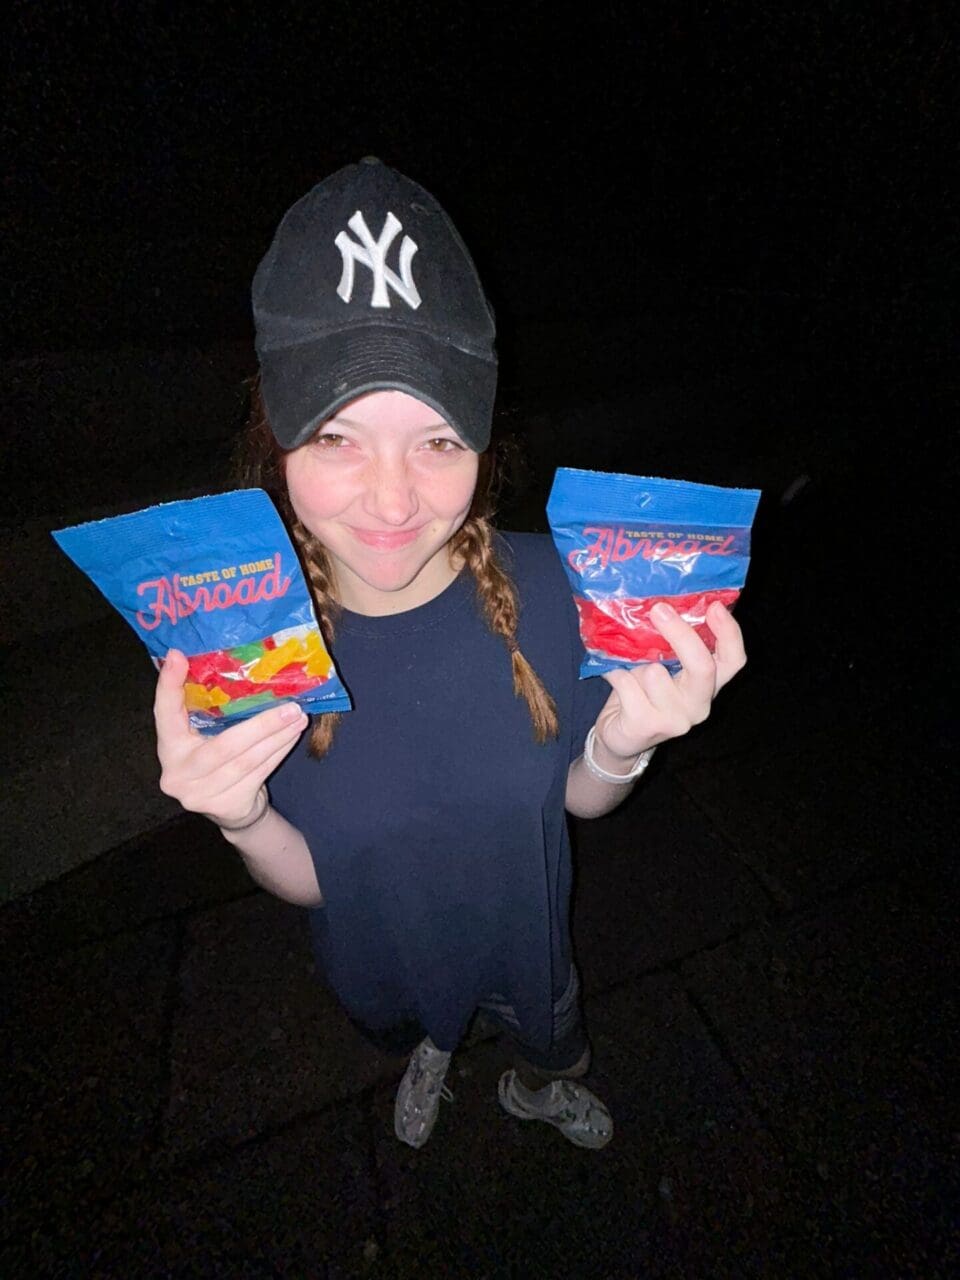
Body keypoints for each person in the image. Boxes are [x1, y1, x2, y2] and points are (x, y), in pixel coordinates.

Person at [153, 157, 747, 1151]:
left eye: (435, 440)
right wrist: (241, 817)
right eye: (339, 437)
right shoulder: (248, 646)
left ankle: (536, 1081)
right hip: (384, 949)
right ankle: (436, 1044)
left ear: (484, 436)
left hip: (531, 937)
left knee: (552, 1032)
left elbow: (578, 800)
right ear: (276, 440)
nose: (392, 503)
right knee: (421, 1016)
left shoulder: (558, 590)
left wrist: (630, 737)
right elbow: (313, 876)